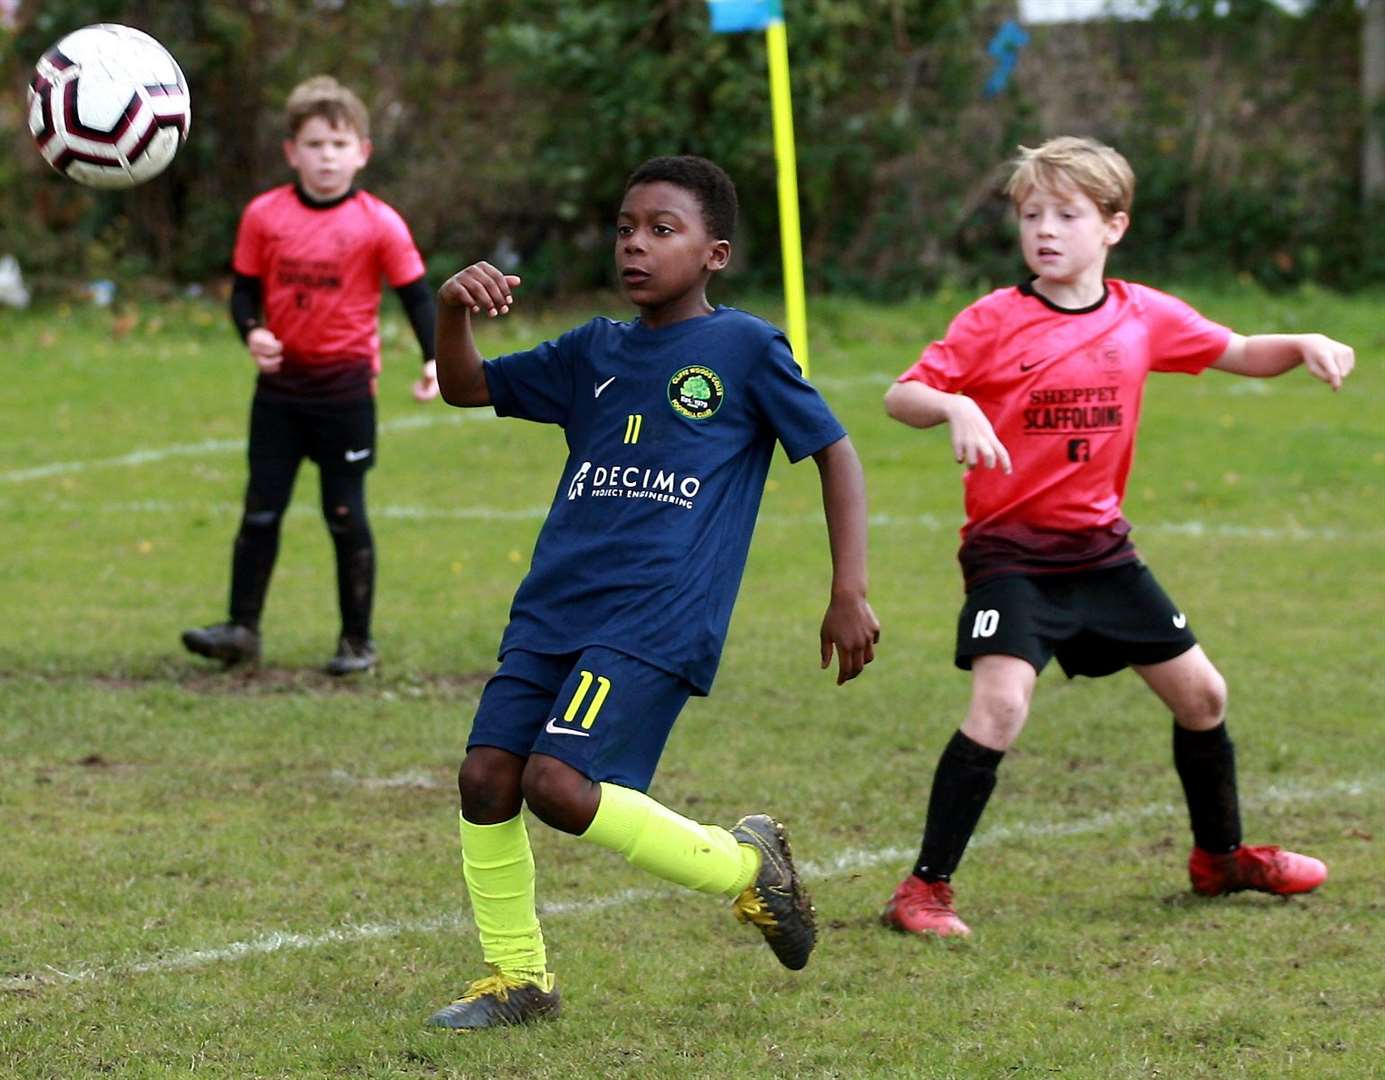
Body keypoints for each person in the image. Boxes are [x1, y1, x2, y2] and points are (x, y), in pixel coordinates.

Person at [424, 155, 881, 1028]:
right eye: (626, 229)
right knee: (486, 777)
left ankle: (749, 871)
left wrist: (847, 590)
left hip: (657, 615)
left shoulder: (744, 348)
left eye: (661, 230)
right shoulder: (592, 349)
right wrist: (451, 311)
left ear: (713, 254)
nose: (636, 245)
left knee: (559, 784)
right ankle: (518, 981)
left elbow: (835, 451)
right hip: (555, 604)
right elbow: (465, 385)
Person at [878, 136, 1356, 938]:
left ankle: (1221, 859)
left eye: (1067, 214)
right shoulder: (993, 320)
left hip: (1101, 551)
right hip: (1010, 553)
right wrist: (954, 405)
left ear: (1113, 226)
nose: (1046, 229)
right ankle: (922, 891)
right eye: (1032, 214)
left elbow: (1236, 350)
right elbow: (902, 394)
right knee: (999, 707)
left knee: (1202, 696)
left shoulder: (1142, 315)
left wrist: (1302, 341)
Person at [180, 75, 440, 676]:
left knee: (344, 514)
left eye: (340, 144)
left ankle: (357, 641)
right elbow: (244, 292)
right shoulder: (264, 216)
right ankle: (241, 630)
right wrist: (253, 332)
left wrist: (432, 358)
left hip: (345, 391)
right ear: (291, 151)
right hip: (279, 393)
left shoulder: (379, 223)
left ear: (363, 152)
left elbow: (417, 297)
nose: (328, 156)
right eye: (316, 144)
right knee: (260, 510)